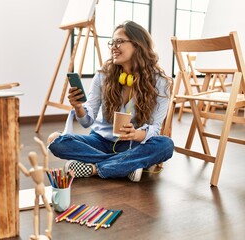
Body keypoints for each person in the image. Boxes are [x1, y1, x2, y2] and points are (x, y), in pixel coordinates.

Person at [47, 20, 174, 182]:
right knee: (55, 140)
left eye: (120, 41)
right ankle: (126, 166)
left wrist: (135, 134)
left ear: (138, 45)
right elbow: (87, 122)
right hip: (99, 141)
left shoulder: (160, 83)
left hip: (133, 145)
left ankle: (94, 168)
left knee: (166, 145)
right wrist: (78, 107)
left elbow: (155, 128)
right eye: (112, 42)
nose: (114, 46)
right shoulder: (103, 75)